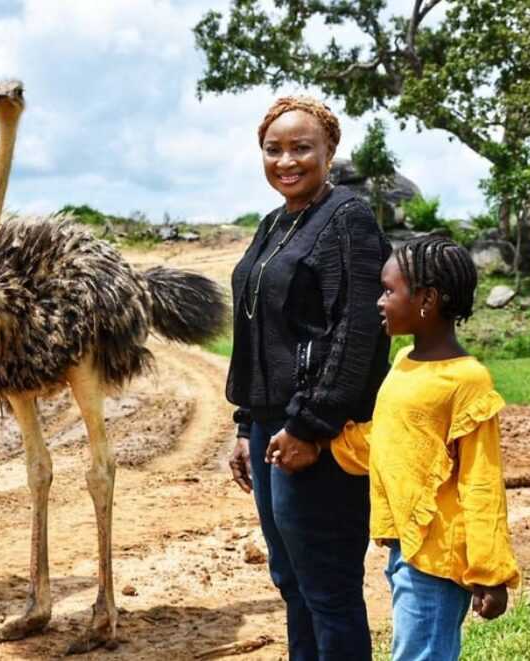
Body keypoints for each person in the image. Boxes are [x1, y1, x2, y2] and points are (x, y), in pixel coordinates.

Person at [226, 95, 391, 660]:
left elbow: (357, 334)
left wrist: (311, 426)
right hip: (269, 426)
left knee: (327, 586)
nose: (286, 160)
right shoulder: (274, 224)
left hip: (318, 430)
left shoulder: (348, 218)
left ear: (329, 151)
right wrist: (245, 423)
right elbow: (256, 330)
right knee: (291, 580)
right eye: (274, 149)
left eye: (302, 148)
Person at [317, 235, 521, 661]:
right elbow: (391, 439)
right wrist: (322, 439)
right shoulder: (405, 361)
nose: (379, 301)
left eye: (389, 291)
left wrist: (490, 571)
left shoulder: (467, 380)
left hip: (439, 557)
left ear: (426, 299)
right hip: (405, 550)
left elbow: (482, 482)